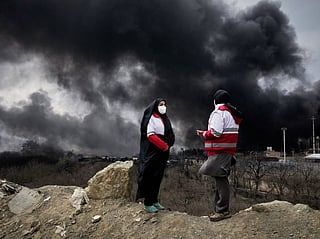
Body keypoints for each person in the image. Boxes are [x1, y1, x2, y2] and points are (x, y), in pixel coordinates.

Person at [196, 89, 242, 221]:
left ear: (215, 100)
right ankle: (218, 209)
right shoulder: (232, 113)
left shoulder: (219, 112)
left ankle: (222, 211)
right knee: (219, 179)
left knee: (221, 180)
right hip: (227, 151)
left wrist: (203, 133)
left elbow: (215, 132)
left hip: (219, 151)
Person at [136, 98, 175, 213]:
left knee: (158, 176)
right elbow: (150, 135)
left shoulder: (164, 119)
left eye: (165, 104)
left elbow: (170, 133)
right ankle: (148, 202)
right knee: (150, 176)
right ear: (155, 106)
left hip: (163, 153)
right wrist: (163, 146)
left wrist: (169, 143)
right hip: (153, 151)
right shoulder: (151, 118)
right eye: (161, 104)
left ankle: (154, 200)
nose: (163, 107)